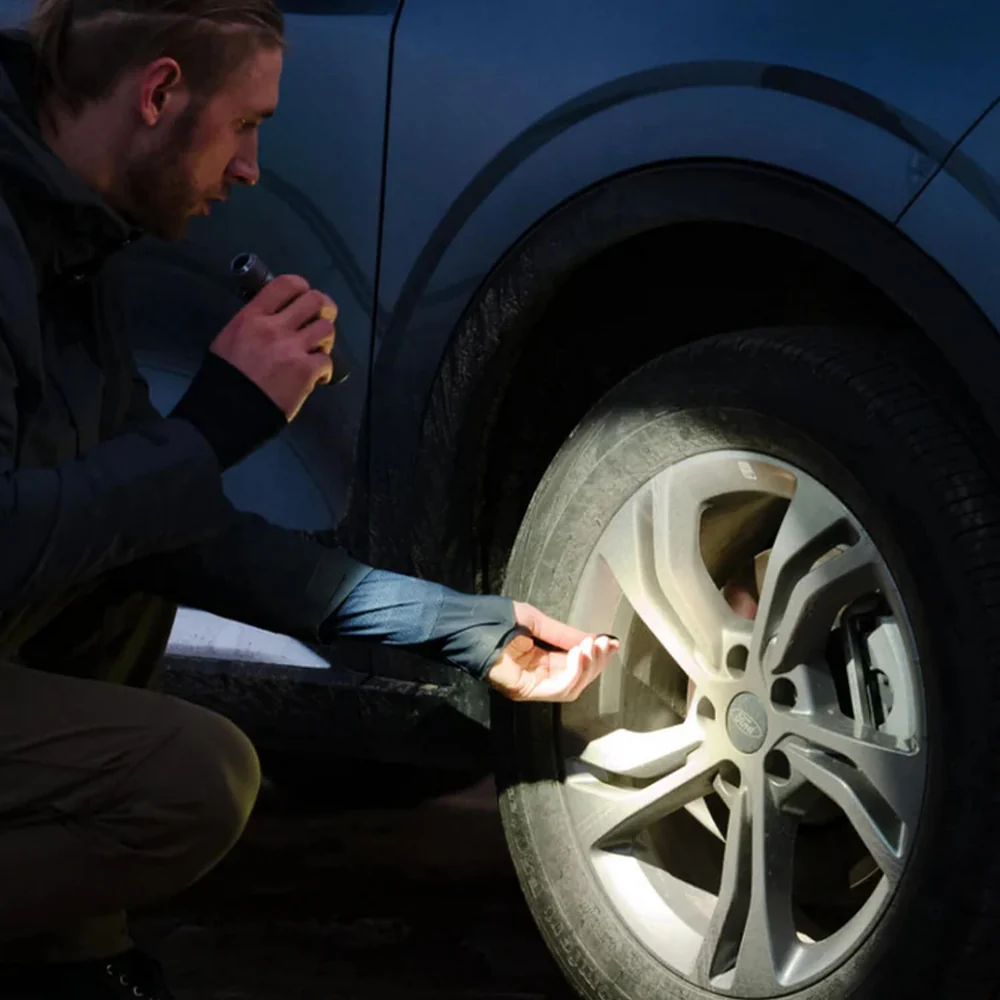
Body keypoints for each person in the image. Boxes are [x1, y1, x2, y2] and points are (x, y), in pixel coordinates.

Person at [0, 1, 620, 996]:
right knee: (191, 782)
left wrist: (470, 631)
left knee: (128, 564)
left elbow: (180, 532)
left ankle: (58, 963)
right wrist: (219, 419)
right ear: (159, 93)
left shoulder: (68, 236)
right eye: (246, 125)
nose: (248, 168)